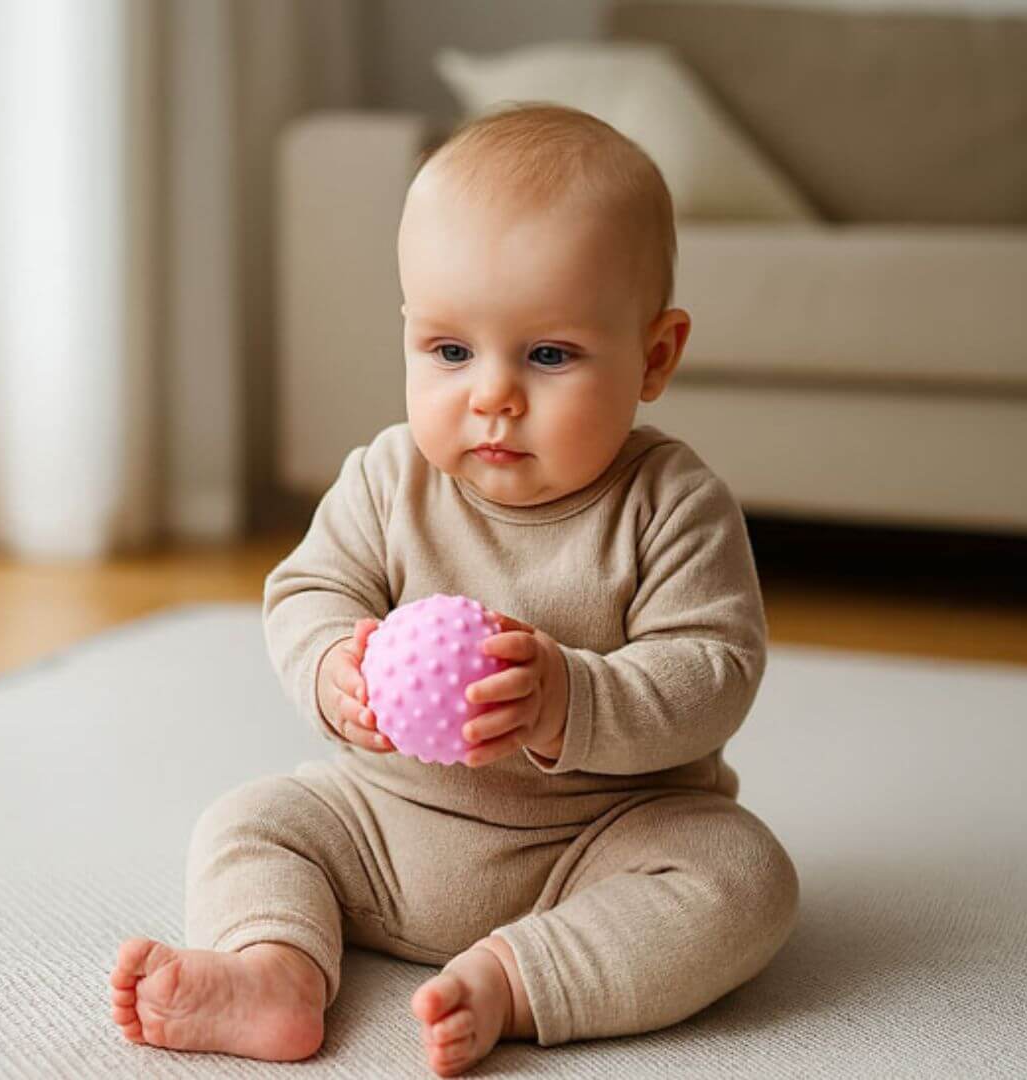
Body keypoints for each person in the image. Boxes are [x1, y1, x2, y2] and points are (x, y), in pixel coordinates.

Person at [108, 102, 799, 1076]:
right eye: (449, 351)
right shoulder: (391, 476)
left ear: (655, 356)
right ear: (407, 333)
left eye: (549, 354)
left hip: (598, 840)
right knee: (250, 819)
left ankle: (518, 977)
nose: (492, 394)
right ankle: (274, 969)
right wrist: (332, 669)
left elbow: (715, 671)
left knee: (745, 877)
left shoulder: (671, 503)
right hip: (390, 827)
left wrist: (569, 696)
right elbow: (308, 590)